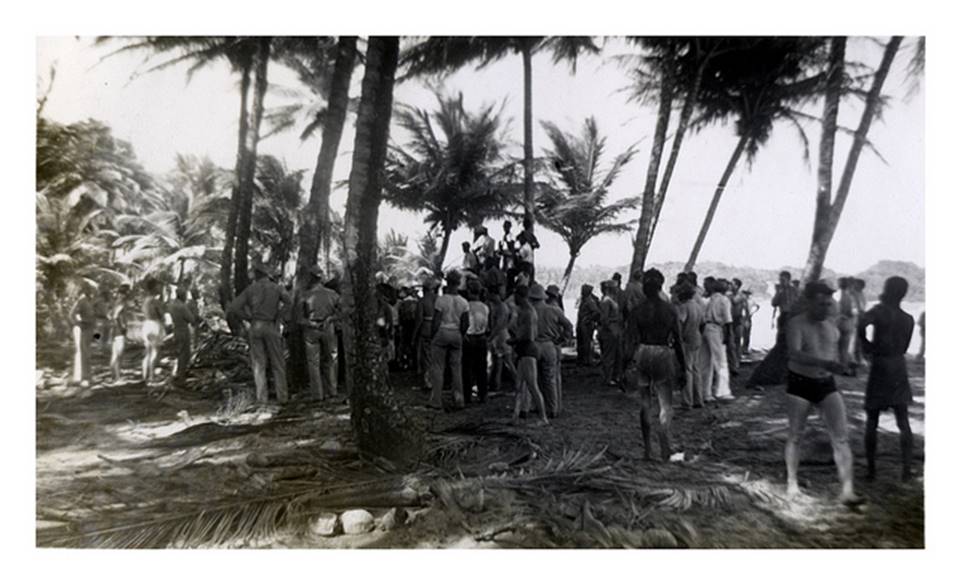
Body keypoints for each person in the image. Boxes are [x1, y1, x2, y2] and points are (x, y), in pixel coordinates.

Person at [784, 280, 862, 505]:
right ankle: (792, 484)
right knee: (796, 435)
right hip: (800, 383)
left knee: (841, 437)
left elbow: (841, 357)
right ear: (809, 302)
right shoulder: (796, 324)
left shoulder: (832, 325)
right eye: (820, 304)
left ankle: (847, 491)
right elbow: (794, 354)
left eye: (828, 304)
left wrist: (846, 352)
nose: (825, 308)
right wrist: (827, 364)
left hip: (826, 383)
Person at [623, 269, 686, 461]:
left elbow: (630, 342)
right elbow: (678, 340)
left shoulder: (637, 311)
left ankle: (648, 450)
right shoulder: (669, 310)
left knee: (645, 404)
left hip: (643, 353)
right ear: (660, 287)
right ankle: (665, 447)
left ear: (644, 288)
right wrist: (683, 367)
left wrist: (623, 367)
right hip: (662, 353)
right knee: (665, 405)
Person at [859, 277, 915, 482]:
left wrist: (867, 345)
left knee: (872, 420)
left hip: (881, 366)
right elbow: (905, 347)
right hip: (898, 366)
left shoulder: (879, 311)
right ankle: (907, 470)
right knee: (903, 421)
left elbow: (860, 324)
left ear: (886, 290)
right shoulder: (908, 318)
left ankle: (872, 471)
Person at [228, 261, 292, 404]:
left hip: (256, 325)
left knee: (259, 365)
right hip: (271, 325)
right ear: (267, 275)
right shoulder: (277, 288)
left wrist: (248, 318)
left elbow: (233, 307)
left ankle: (262, 399)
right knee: (278, 363)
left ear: (256, 275)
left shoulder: (250, 289)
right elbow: (289, 302)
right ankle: (283, 397)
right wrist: (279, 315)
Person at [429, 271, 470, 410]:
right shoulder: (464, 302)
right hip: (456, 333)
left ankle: (436, 400)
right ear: (458, 283)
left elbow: (436, 321)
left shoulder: (441, 300)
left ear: (447, 282)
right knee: (456, 369)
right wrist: (461, 334)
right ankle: (459, 400)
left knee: (438, 368)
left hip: (442, 332)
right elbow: (466, 323)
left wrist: (432, 336)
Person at [509, 284, 548, 426]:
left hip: (528, 350)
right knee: (519, 385)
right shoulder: (524, 310)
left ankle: (543, 417)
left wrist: (514, 339)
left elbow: (529, 335)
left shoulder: (528, 312)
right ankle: (515, 415)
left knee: (532, 385)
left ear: (520, 296)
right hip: (523, 350)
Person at [300, 266, 340, 401]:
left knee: (313, 362)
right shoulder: (332, 294)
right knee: (331, 359)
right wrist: (330, 319)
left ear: (311, 278)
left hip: (312, 328)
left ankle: (318, 394)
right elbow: (341, 311)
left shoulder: (305, 295)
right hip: (328, 327)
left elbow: (299, 318)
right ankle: (332, 390)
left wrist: (311, 323)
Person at [531, 284, 571, 417]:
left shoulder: (529, 310)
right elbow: (568, 325)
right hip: (550, 345)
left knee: (535, 379)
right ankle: (553, 409)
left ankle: (538, 405)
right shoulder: (554, 310)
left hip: (535, 345)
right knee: (550, 379)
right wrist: (562, 339)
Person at [703, 277, 734, 401]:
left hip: (706, 328)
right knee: (721, 362)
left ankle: (705, 393)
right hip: (716, 329)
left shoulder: (710, 299)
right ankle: (722, 391)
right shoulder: (723, 300)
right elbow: (728, 320)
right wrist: (728, 337)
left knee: (706, 362)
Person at [676, 283, 705, 409]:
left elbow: (680, 323)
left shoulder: (684, 307)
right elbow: (703, 323)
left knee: (687, 370)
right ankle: (698, 399)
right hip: (697, 337)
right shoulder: (698, 306)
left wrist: (678, 337)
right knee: (696, 369)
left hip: (687, 339)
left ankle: (687, 401)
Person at [462, 279, 490, 404]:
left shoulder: (466, 306)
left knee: (467, 368)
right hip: (482, 337)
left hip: (469, 337)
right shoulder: (485, 307)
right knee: (481, 368)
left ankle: (467, 395)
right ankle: (483, 394)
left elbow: (464, 323)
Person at [545, 284, 572, 413]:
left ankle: (552, 407)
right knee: (554, 378)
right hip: (555, 344)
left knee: (549, 378)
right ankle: (556, 406)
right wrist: (563, 339)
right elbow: (568, 326)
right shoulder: (557, 309)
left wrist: (562, 338)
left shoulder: (549, 309)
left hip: (551, 343)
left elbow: (567, 326)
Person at [487, 287, 516, 396]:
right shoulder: (499, 306)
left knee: (508, 362)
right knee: (498, 362)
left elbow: (499, 324)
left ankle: (518, 383)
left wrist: (491, 337)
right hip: (500, 335)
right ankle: (496, 385)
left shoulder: (501, 307)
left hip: (501, 336)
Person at [167, 287, 200, 385]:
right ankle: (181, 375)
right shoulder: (182, 306)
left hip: (176, 329)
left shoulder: (172, 304)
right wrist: (196, 317)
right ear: (182, 295)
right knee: (184, 353)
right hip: (183, 329)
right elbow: (191, 319)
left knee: (180, 352)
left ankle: (179, 373)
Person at [69, 283, 97, 387]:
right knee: (83, 353)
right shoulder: (82, 301)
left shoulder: (88, 301)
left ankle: (85, 376)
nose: (92, 293)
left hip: (88, 329)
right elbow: (72, 315)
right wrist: (79, 324)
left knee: (86, 353)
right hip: (82, 329)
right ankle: (83, 378)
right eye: (91, 291)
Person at [414, 278, 439, 392]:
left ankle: (428, 382)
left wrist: (414, 335)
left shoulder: (422, 301)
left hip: (426, 329)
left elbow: (419, 319)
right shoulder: (438, 300)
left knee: (426, 357)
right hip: (438, 329)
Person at [141, 278, 166, 385]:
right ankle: (151, 377)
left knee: (148, 352)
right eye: (158, 286)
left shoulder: (145, 300)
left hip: (146, 324)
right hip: (154, 325)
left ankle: (144, 376)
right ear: (154, 287)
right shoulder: (155, 301)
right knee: (155, 352)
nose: (160, 288)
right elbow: (161, 314)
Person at [598, 280, 623, 387]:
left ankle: (614, 376)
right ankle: (607, 378)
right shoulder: (606, 301)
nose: (617, 289)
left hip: (615, 329)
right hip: (609, 331)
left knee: (617, 355)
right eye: (615, 287)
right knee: (609, 356)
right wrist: (610, 329)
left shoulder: (612, 300)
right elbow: (604, 319)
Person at [108, 284, 132, 384]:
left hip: (114, 330)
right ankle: (117, 377)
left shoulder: (115, 303)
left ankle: (113, 376)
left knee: (115, 354)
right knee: (119, 354)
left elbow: (110, 315)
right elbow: (114, 316)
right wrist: (122, 326)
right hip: (119, 331)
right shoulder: (121, 303)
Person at [836, 277, 857, 376]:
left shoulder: (835, 295)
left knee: (834, 347)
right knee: (844, 348)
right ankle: (844, 368)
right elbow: (853, 312)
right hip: (847, 323)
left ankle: (837, 367)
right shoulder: (850, 296)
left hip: (837, 322)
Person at [576, 284, 601, 366]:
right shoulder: (584, 300)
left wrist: (588, 319)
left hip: (586, 325)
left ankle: (588, 359)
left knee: (587, 342)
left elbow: (596, 312)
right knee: (581, 342)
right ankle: (582, 358)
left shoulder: (590, 301)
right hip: (581, 324)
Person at [396, 287, 419, 372]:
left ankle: (405, 362)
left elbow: (400, 315)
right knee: (413, 344)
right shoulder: (416, 303)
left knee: (404, 344)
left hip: (405, 326)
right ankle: (413, 362)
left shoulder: (403, 303)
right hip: (413, 325)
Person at [729, 278, 747, 373]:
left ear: (737, 286)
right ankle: (733, 362)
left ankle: (737, 361)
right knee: (731, 342)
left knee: (737, 341)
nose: (731, 286)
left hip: (738, 319)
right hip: (731, 320)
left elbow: (735, 301)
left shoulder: (741, 295)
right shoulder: (730, 295)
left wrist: (746, 320)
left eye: (732, 284)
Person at [851, 278, 868, 367]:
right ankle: (853, 359)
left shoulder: (861, 294)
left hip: (860, 318)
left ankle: (858, 358)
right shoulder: (851, 294)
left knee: (858, 340)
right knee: (853, 340)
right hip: (854, 318)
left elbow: (862, 306)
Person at [740, 290, 759, 357]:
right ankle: (741, 348)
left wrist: (752, 313)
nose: (745, 295)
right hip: (742, 318)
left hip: (747, 318)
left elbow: (757, 306)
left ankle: (745, 349)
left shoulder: (750, 301)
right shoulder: (741, 301)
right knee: (741, 333)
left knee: (747, 334)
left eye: (746, 294)